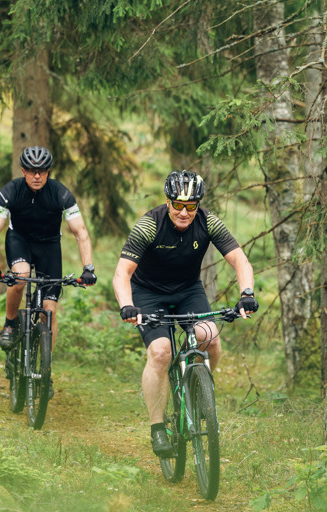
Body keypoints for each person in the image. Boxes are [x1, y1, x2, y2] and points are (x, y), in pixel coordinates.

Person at [112, 170, 258, 457]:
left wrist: (247, 294)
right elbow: (122, 273)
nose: (184, 212)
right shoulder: (149, 225)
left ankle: (197, 391)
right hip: (148, 292)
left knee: (211, 339)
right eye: (177, 204)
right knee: (160, 352)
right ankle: (157, 428)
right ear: (168, 202)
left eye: (191, 206)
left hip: (187, 291)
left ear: (198, 205)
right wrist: (126, 305)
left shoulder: (208, 222)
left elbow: (239, 259)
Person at [0, 146, 97, 386]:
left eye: (42, 171)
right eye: (33, 171)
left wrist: (89, 267)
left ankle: (45, 369)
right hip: (19, 242)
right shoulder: (10, 191)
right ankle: (11, 324)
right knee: (21, 277)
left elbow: (81, 232)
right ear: (23, 171)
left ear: (48, 172)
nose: (37, 176)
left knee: (50, 309)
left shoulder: (61, 193)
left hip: (49, 246)